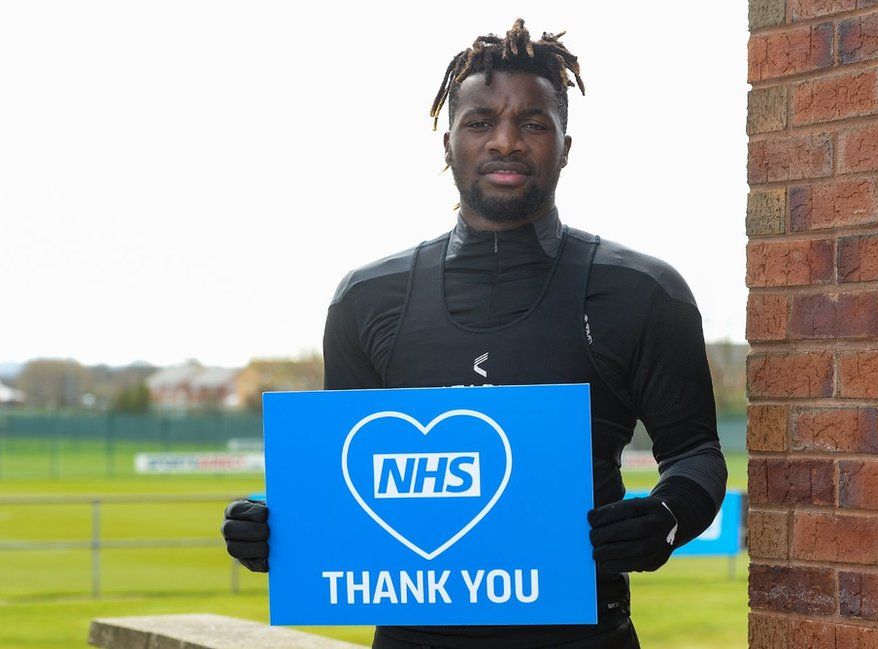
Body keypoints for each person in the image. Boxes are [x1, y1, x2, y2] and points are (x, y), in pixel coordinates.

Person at [222, 18, 727, 649]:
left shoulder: (642, 291)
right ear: (447, 144)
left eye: (534, 123)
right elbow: (342, 481)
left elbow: (697, 454)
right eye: (481, 121)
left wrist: (668, 517)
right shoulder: (366, 298)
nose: (507, 142)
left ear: (566, 145)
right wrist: (277, 528)